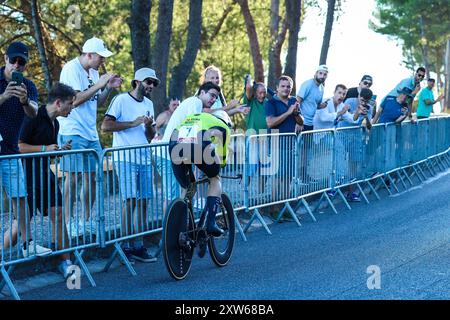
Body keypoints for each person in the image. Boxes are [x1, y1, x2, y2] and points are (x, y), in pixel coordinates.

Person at [58, 36, 123, 233]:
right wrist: (100, 83)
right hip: (72, 130)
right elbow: (75, 100)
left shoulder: (93, 73)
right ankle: (69, 223)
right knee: (74, 176)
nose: (103, 61)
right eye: (100, 57)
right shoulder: (71, 69)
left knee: (92, 177)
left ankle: (86, 221)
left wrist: (108, 88)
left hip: (90, 132)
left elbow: (96, 102)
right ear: (88, 55)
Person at [18, 82, 75, 277]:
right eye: (70, 103)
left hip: (44, 173)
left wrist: (57, 150)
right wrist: (45, 149)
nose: (72, 107)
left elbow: (48, 151)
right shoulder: (32, 116)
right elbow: (18, 146)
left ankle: (66, 263)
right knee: (20, 225)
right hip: (27, 175)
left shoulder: (55, 123)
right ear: (58, 103)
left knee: (58, 214)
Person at [101, 67, 158, 263]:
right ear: (137, 82)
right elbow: (106, 126)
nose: (151, 86)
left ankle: (138, 246)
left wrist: (148, 126)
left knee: (143, 202)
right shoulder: (121, 100)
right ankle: (124, 246)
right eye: (148, 82)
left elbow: (150, 137)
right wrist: (132, 124)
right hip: (124, 158)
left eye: (153, 83)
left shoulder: (150, 103)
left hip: (143, 157)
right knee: (130, 200)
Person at [1, 41, 52, 257]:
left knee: (20, 197)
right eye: (14, 60)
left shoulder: (28, 86)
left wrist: (23, 101)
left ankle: (27, 243)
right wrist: (4, 96)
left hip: (11, 151)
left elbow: (33, 112)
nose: (17, 65)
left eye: (22, 62)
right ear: (5, 59)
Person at [168, 111, 231, 257]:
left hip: (174, 144)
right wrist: (216, 168)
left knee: (187, 187)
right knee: (215, 179)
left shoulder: (195, 117)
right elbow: (222, 160)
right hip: (198, 145)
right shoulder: (224, 127)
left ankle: (183, 228)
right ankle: (210, 223)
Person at [336, 88, 374, 202]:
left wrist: (367, 117)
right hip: (342, 133)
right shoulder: (350, 101)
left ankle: (350, 192)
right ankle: (334, 189)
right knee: (339, 162)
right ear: (358, 96)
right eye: (362, 100)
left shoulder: (369, 107)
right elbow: (347, 117)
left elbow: (369, 126)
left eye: (366, 101)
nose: (363, 103)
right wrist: (357, 112)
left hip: (355, 136)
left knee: (353, 164)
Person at [296, 65, 328, 131]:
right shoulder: (307, 84)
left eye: (325, 74)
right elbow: (297, 102)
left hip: (310, 124)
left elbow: (316, 105)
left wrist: (322, 105)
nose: (322, 76)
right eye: (320, 73)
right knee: (295, 141)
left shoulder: (322, 88)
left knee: (308, 142)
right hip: (301, 123)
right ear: (316, 73)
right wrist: (298, 122)